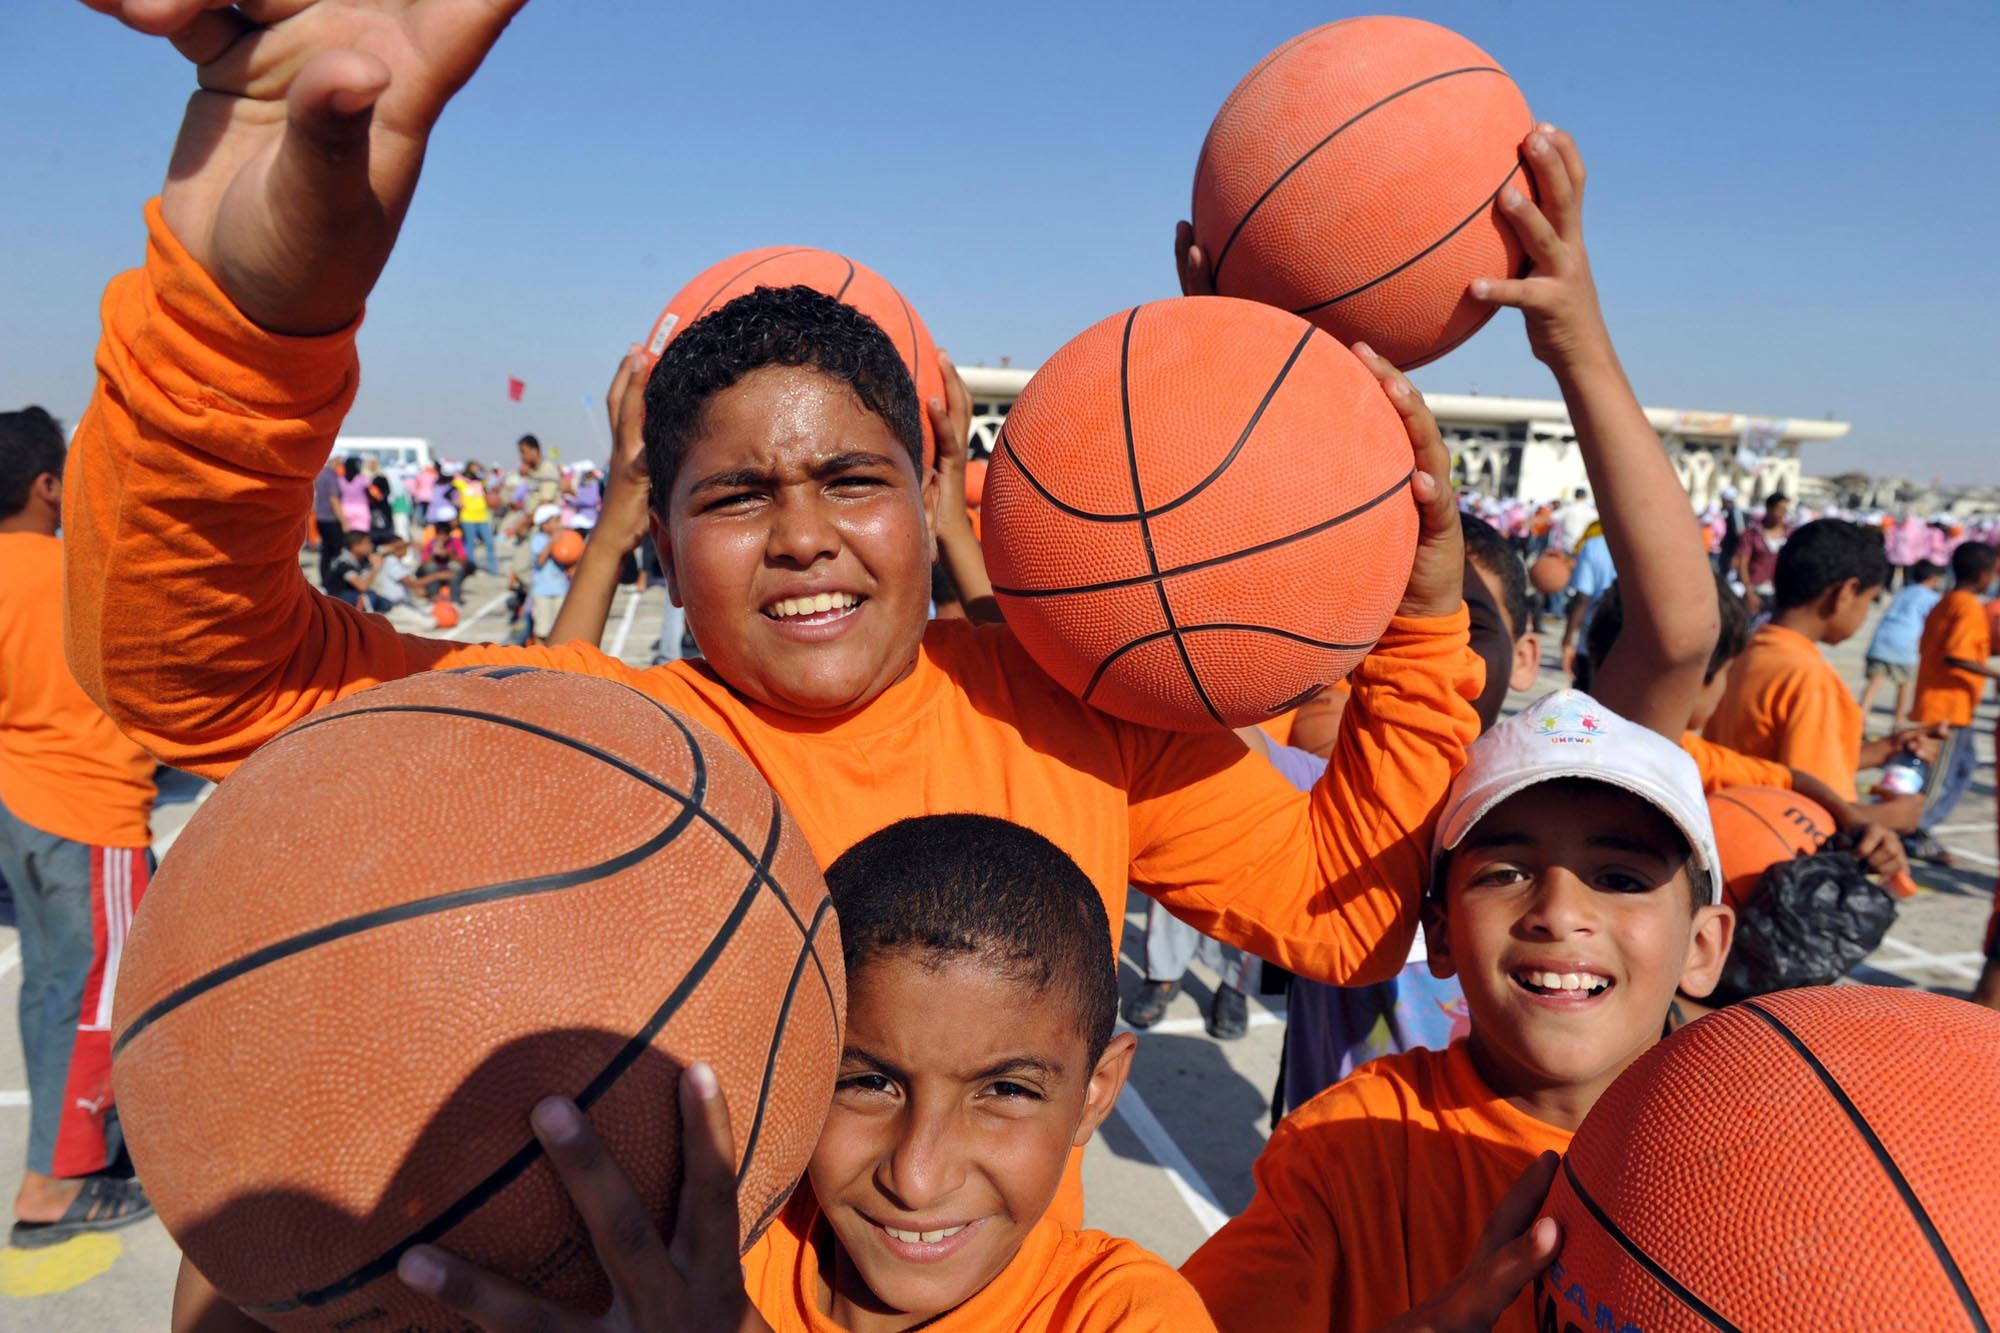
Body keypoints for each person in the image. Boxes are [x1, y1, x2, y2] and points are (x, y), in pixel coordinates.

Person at [70, 0, 1480, 1228]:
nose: (805, 533)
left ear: (932, 493)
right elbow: (197, 675)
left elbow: (1338, 909)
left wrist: (1416, 623)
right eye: (736, 494)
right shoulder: (589, 742)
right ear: (660, 539)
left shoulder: (1065, 715)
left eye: (851, 478)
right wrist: (243, 311)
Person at [171, 815, 1219, 1333]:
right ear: (798, 1059)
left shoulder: (1123, 1311)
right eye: (867, 1081)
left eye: (1005, 1090)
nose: (918, 1172)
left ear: (1097, 1090)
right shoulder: (700, 1245)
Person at [1181, 692, 1735, 1333]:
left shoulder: (1773, 1150)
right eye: (1505, 873)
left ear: (1701, 945)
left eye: (1620, 879)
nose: (1557, 912)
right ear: (1439, 936)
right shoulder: (1347, 1148)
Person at [0, 406, 158, 1247]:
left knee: (50, 991)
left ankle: (74, 1151)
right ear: (46, 485)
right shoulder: (76, 572)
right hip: (91, 808)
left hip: (21, 808)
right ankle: (53, 1183)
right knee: (103, 992)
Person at [1704, 519, 1941, 831]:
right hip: (1771, 849)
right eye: (1868, 601)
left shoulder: (1746, 650)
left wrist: (1886, 750)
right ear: (1845, 592)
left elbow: (1784, 764)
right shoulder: (1811, 680)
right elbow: (1818, 812)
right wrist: (1890, 817)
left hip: (1725, 830)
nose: (1865, 612)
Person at [1908, 542, 1999, 846]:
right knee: (1941, 779)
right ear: (1982, 574)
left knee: (1963, 769)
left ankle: (1920, 827)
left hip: (1949, 704)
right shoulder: (1967, 606)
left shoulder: (1947, 601)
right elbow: (1955, 655)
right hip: (1948, 708)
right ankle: (1912, 830)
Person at [1858, 559, 1945, 732]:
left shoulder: (1904, 591)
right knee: (1904, 684)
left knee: (1875, 680)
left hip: (1882, 637)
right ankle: (1898, 721)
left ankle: (1861, 714)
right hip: (1905, 643)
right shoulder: (1931, 597)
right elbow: (1933, 623)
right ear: (1933, 578)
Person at [1734, 491, 1790, 610]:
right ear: (1769, 508)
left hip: (1779, 593)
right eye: (1779, 509)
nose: (1782, 513)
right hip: (1756, 590)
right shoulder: (1753, 534)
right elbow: (1743, 563)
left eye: (1785, 510)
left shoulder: (1789, 533)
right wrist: (1749, 592)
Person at [527, 502, 571, 644]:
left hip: (560, 589)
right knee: (542, 629)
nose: (559, 525)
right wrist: (552, 542)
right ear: (544, 525)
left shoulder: (563, 539)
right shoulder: (538, 540)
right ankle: (540, 655)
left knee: (560, 628)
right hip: (543, 591)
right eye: (556, 521)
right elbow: (540, 561)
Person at [453, 460, 497, 574]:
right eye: (474, 468)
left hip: (482, 517)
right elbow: (453, 492)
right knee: (470, 544)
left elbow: (492, 483)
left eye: (478, 468)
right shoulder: (460, 482)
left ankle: (493, 568)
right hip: (468, 517)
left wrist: (482, 474)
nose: (476, 470)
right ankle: (470, 568)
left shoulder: (481, 482)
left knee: (489, 542)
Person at [311, 458, 344, 593]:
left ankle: (325, 580)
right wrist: (344, 521)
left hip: (321, 517)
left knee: (325, 552)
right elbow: (334, 499)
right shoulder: (331, 476)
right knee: (335, 553)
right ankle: (331, 582)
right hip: (331, 519)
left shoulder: (320, 474)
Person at [518, 434, 562, 510]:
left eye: (523, 452)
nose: (521, 456)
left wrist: (524, 521)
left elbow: (545, 503)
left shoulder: (547, 469)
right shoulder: (533, 472)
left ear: (534, 450)